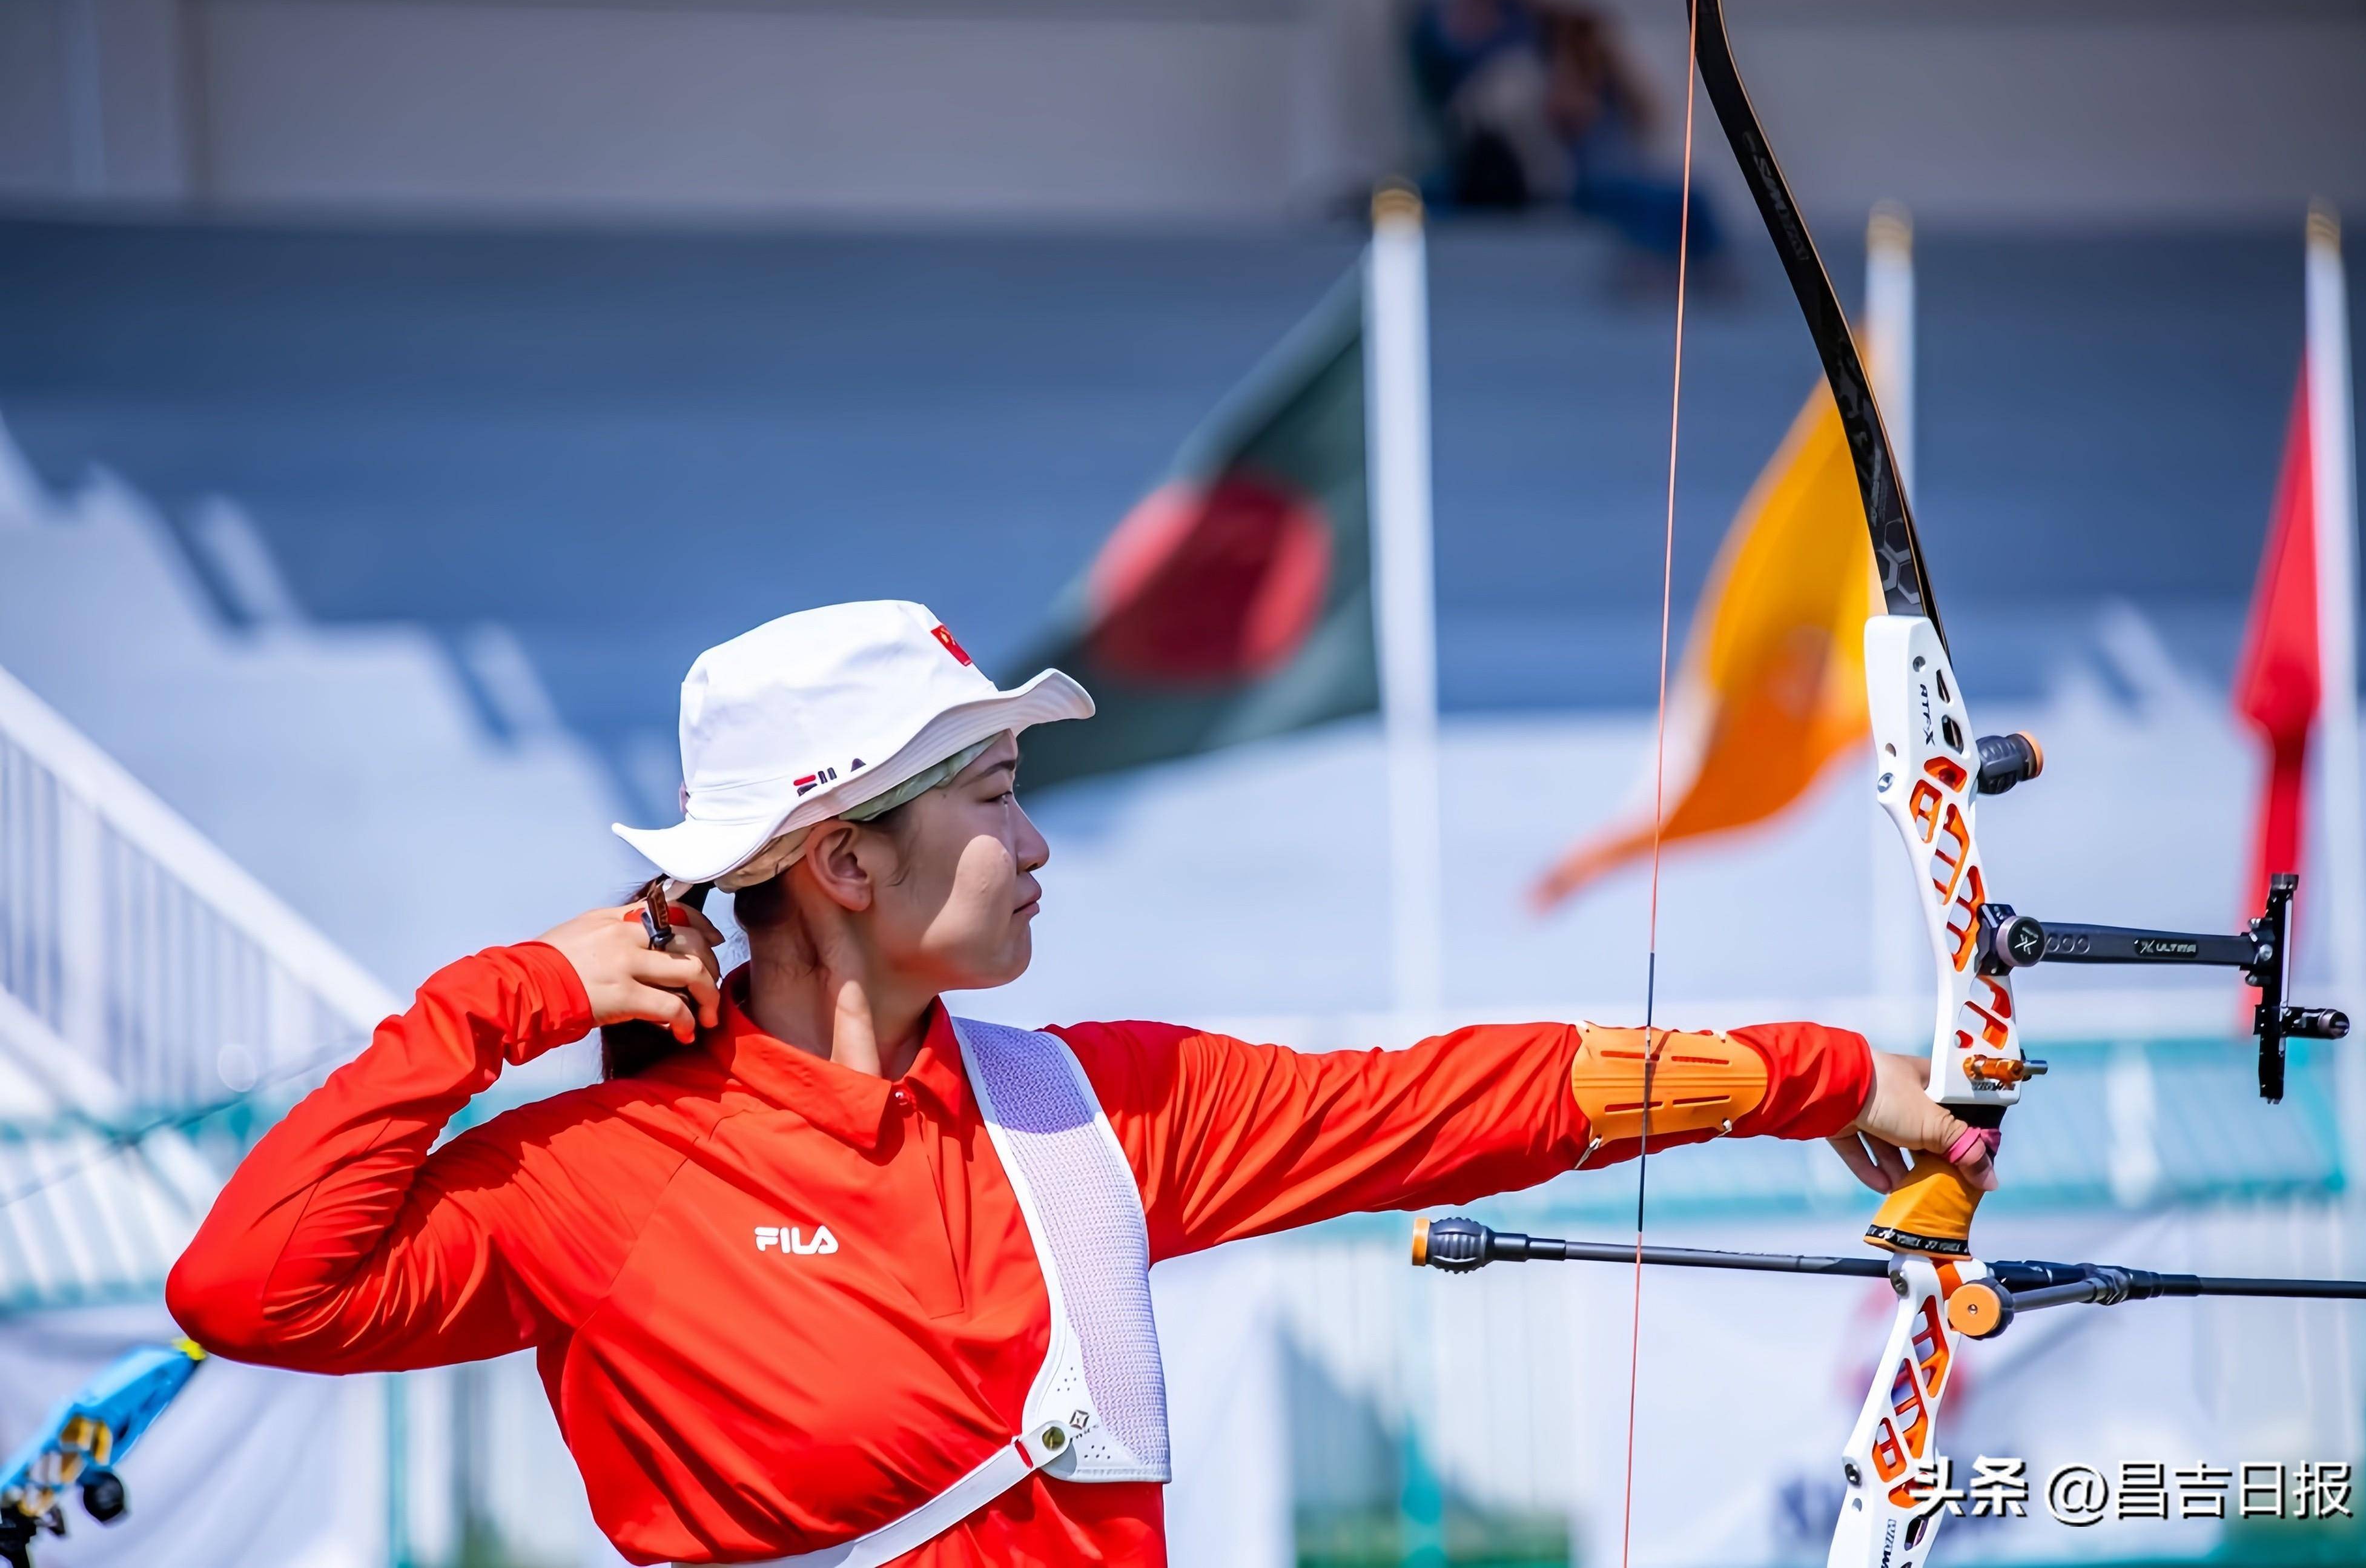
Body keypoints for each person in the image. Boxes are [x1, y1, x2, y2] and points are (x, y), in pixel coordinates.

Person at [167, 600, 1989, 1567]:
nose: (1036, 844)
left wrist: (1818, 1071)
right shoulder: (607, 1174)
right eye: (988, 798)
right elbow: (246, 1288)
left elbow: (1451, 1098)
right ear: (839, 862)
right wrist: (497, 998)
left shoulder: (1086, 1111)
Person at [1408, 0, 1721, 267]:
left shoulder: (1554, 24)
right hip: (1533, 173)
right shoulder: (1450, 30)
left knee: (1689, 201)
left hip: (1591, 170)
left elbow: (1644, 113)